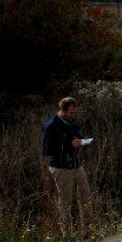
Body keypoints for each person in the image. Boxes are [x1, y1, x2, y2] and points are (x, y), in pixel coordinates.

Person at [41, 97, 94, 234]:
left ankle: (87, 231)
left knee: (86, 197)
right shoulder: (51, 126)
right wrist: (69, 144)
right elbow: (47, 150)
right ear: (62, 110)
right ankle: (67, 235)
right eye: (70, 113)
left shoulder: (71, 122)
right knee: (65, 202)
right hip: (61, 168)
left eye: (74, 113)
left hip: (76, 165)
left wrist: (82, 142)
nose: (72, 115)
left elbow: (77, 138)